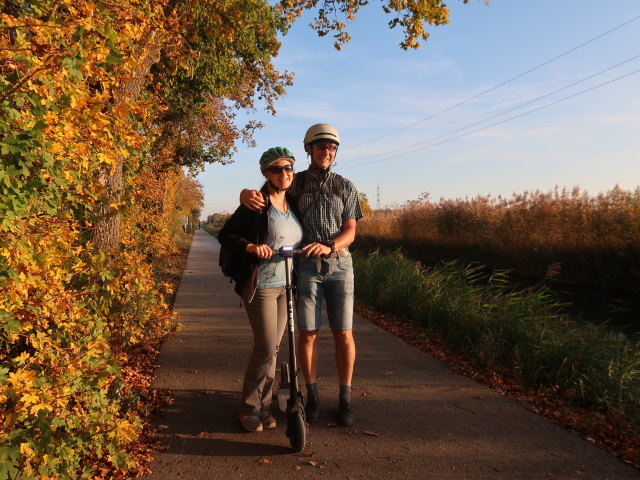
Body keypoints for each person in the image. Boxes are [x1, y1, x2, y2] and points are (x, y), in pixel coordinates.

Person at [240, 124, 362, 426]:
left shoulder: (345, 186)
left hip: (340, 265)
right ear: (309, 149)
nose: (327, 152)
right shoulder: (295, 183)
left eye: (331, 147)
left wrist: (330, 245)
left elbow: (351, 231)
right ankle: (312, 395)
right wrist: (245, 194)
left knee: (343, 333)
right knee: (307, 333)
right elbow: (267, 192)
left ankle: (345, 398)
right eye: (320, 146)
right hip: (305, 267)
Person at [218, 147, 303, 432]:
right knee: (266, 347)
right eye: (276, 169)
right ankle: (249, 408)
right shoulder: (256, 203)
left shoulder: (293, 201)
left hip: (286, 284)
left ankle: (264, 405)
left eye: (288, 168)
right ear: (266, 173)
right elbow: (226, 234)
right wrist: (250, 246)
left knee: (275, 348)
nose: (284, 174)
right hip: (263, 285)